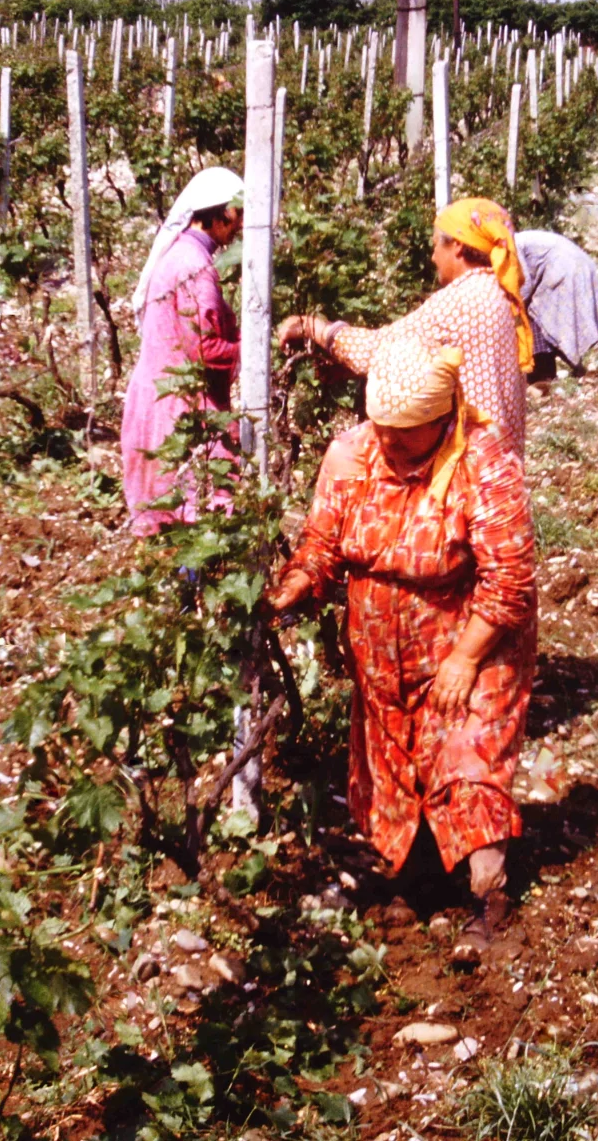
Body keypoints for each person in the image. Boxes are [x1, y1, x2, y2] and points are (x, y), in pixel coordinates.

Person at [268, 337, 537, 960]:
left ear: (443, 421)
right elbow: (323, 542)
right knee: (387, 766)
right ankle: (406, 877)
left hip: (473, 640)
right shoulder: (354, 454)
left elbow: (509, 579)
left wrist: (466, 658)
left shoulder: (483, 463)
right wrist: (299, 584)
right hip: (381, 651)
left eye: (406, 435)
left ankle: (488, 900)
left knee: (468, 761)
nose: (388, 444)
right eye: (382, 429)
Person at [280, 197, 534, 451]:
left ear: (457, 246)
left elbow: (377, 350)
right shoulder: (499, 292)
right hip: (500, 461)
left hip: (470, 464)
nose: (434, 257)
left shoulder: (463, 299)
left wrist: (314, 328)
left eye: (436, 246)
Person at [120, 167, 246, 536]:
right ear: (220, 212)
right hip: (180, 409)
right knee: (197, 522)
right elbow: (205, 349)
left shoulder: (180, 254)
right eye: (237, 215)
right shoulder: (196, 266)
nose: (240, 226)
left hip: (160, 400)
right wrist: (251, 353)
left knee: (171, 524)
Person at [517, 229, 598, 379]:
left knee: (541, 315)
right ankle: (579, 365)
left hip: (566, 267)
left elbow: (523, 285)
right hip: (572, 263)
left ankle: (545, 371)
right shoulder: (516, 241)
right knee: (552, 317)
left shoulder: (511, 246)